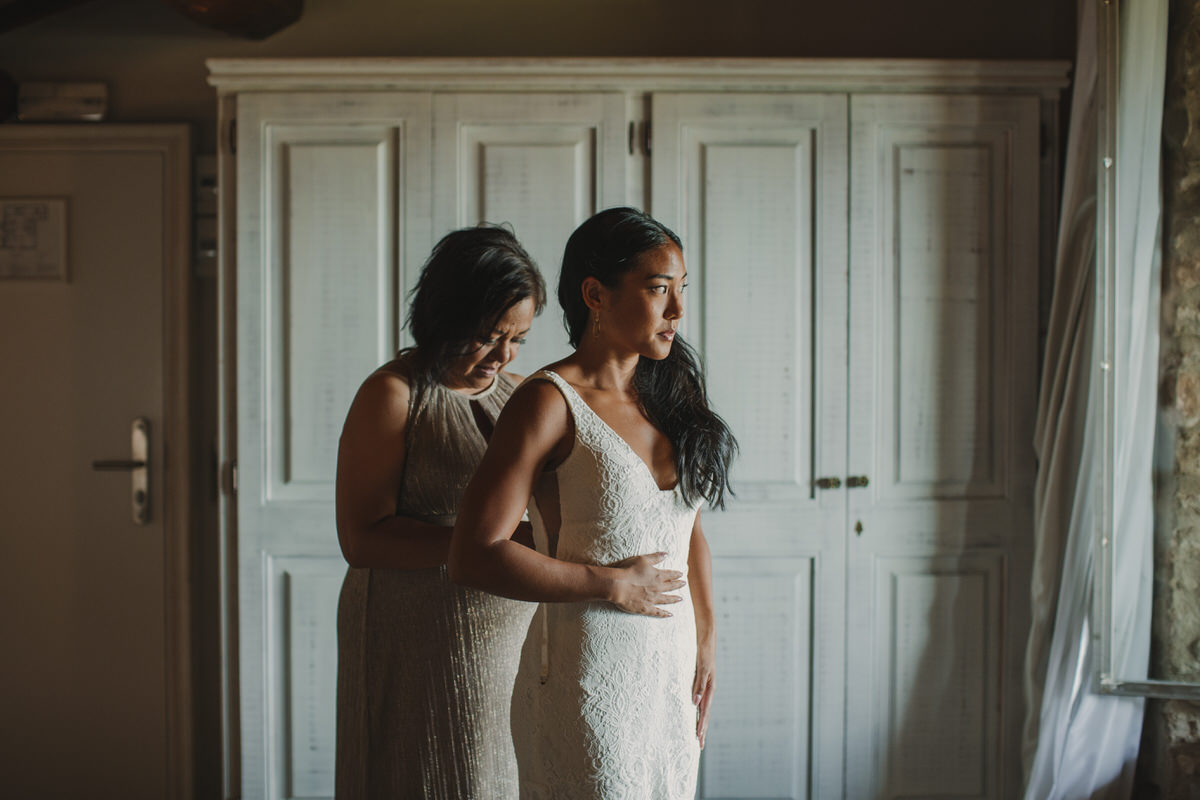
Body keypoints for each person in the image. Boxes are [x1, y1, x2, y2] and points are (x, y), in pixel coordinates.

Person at [448, 207, 737, 799]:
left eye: (681, 290)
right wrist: (609, 585)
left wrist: (706, 643)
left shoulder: (673, 398)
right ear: (595, 294)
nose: (677, 311)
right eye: (659, 289)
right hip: (588, 678)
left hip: (672, 676)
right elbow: (473, 554)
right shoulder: (547, 402)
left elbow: (689, 534)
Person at [334, 225, 546, 799]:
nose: (501, 357)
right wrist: (483, 547)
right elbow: (361, 539)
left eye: (519, 340)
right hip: (415, 636)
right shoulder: (394, 394)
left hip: (503, 639)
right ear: (444, 316)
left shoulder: (522, 394)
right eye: (486, 336)